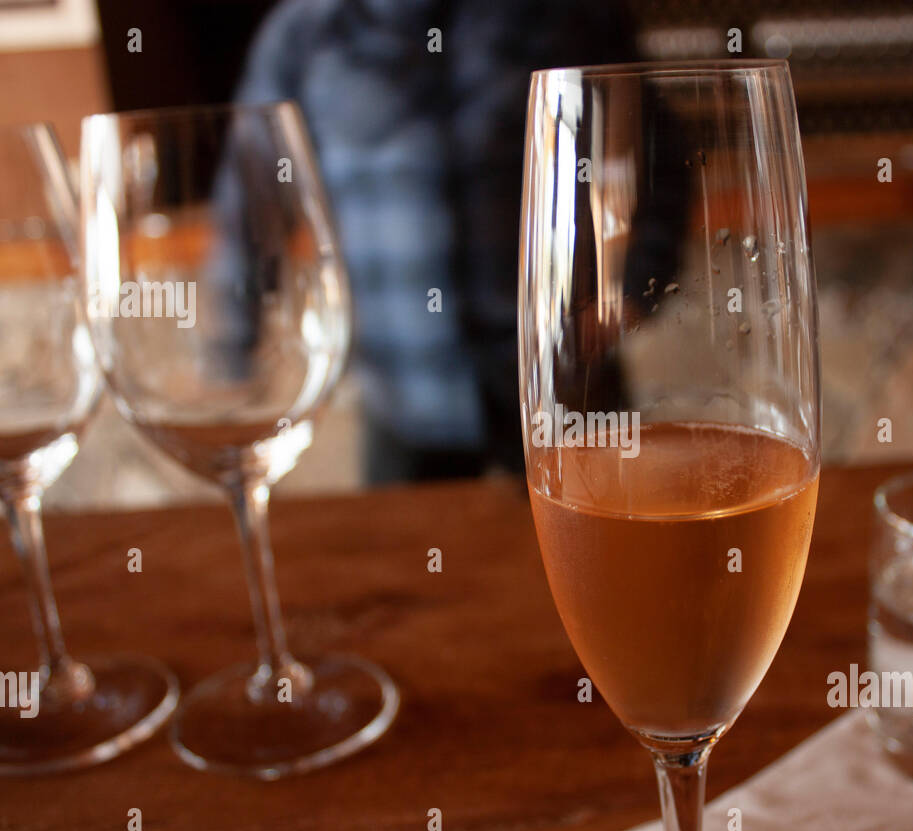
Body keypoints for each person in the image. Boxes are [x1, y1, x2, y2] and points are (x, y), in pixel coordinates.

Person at [235, 0, 635, 482]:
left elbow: (646, 146)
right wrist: (231, 366)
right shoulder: (305, 31)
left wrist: (627, 287)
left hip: (569, 387)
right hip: (403, 407)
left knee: (596, 552)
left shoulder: (566, 15)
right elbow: (248, 194)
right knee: (407, 554)